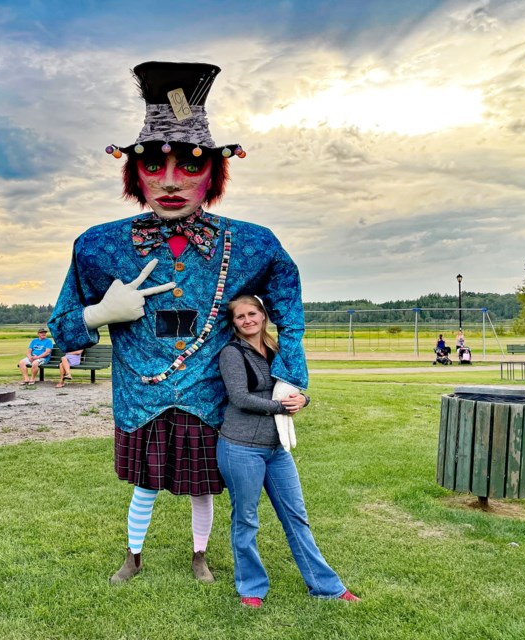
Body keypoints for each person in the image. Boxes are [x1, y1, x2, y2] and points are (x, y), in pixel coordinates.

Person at [50, 62, 308, 584]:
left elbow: (290, 311)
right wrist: (101, 313)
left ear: (215, 171)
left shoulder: (252, 243)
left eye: (190, 165)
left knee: (201, 486)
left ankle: (199, 557)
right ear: (132, 171)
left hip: (209, 395)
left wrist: (290, 379)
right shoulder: (99, 244)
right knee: (144, 485)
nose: (169, 181)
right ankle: (134, 556)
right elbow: (62, 327)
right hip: (140, 396)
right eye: (152, 164)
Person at [218, 295, 359, 607]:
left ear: (264, 315)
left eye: (252, 313)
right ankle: (251, 589)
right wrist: (281, 406)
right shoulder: (232, 353)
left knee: (296, 516)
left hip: (276, 448)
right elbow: (240, 397)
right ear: (234, 323)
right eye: (240, 316)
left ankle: (326, 586)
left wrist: (303, 401)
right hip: (240, 448)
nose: (247, 320)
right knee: (246, 518)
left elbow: (294, 386)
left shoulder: (279, 349)